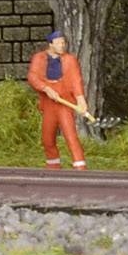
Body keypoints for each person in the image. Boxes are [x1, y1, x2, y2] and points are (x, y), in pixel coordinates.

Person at [26, 31, 88, 168]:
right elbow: (32, 77)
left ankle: (80, 166)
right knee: (47, 138)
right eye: (59, 42)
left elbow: (76, 81)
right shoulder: (39, 58)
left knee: (70, 135)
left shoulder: (70, 60)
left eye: (63, 42)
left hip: (64, 103)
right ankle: (53, 166)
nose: (62, 45)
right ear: (51, 44)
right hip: (49, 104)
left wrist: (81, 100)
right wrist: (46, 89)